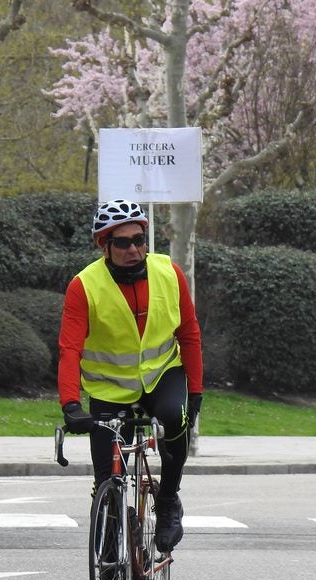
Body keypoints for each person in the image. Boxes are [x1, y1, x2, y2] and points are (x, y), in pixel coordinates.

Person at [58, 200, 203, 554]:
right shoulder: (84, 286)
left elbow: (189, 332)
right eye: (122, 242)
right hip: (109, 389)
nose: (134, 249)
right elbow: (69, 349)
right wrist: (71, 404)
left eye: (139, 239)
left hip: (161, 376)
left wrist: (195, 390)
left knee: (174, 419)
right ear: (103, 245)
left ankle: (168, 500)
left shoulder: (169, 272)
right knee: (106, 480)